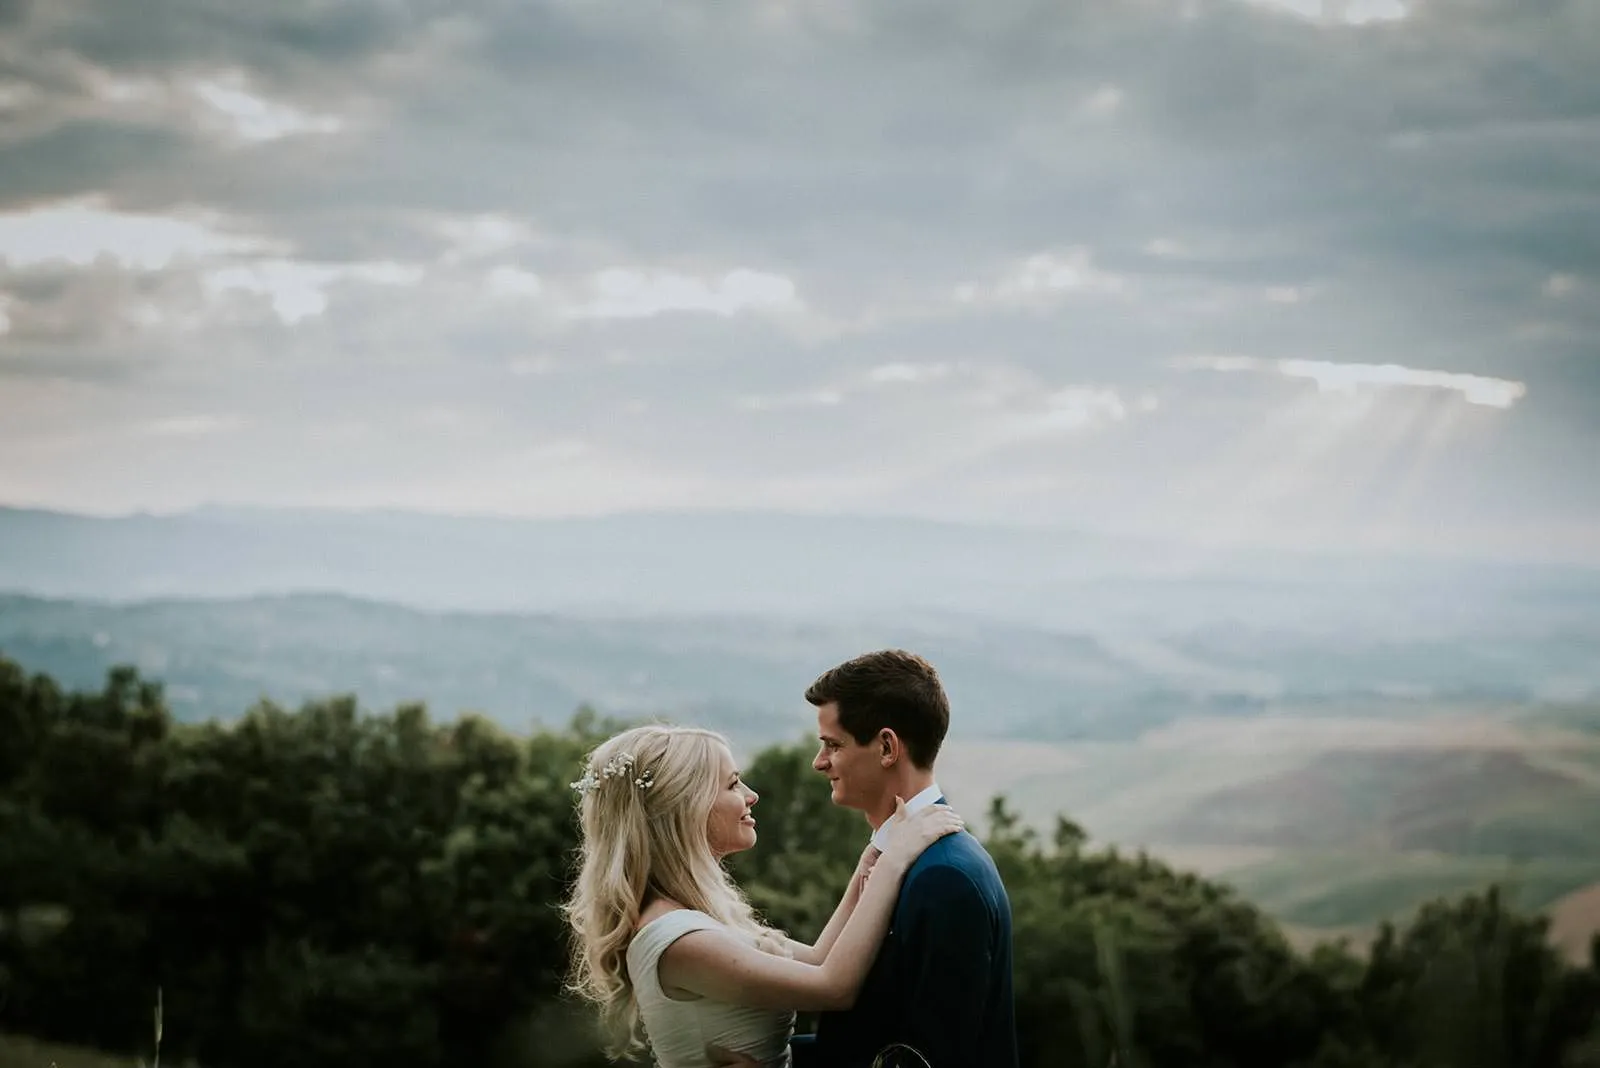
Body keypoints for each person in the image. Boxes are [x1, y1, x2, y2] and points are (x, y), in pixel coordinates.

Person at [561, 723, 965, 1068]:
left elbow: (819, 959)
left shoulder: (691, 917)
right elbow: (833, 987)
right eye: (734, 783)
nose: (751, 795)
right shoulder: (678, 940)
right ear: (686, 808)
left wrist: (870, 861)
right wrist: (895, 862)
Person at [792, 649, 1020, 1068]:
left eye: (832, 745)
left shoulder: (945, 878)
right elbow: (870, 1037)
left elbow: (929, 1057)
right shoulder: (910, 860)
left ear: (886, 747)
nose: (819, 762)